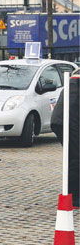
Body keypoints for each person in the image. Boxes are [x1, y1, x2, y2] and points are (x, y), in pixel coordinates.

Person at [51, 67, 80, 208]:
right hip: (67, 121)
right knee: (75, 157)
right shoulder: (76, 84)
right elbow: (73, 110)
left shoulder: (74, 80)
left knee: (73, 156)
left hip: (64, 120)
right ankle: (74, 198)